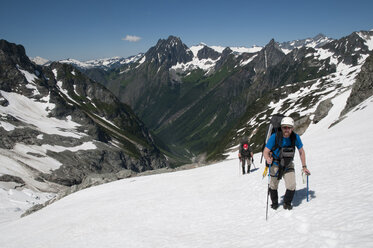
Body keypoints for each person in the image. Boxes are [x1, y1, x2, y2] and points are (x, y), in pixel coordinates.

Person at [263, 116, 311, 210]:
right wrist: (267, 158)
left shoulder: (295, 137)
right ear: (281, 127)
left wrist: (304, 166)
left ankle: (287, 203)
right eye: (284, 127)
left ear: (292, 128)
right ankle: (275, 203)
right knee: (273, 185)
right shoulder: (275, 137)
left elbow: (301, 151)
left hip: (288, 164)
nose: (287, 130)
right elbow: (266, 151)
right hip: (275, 164)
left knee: (291, 185)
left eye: (289, 127)